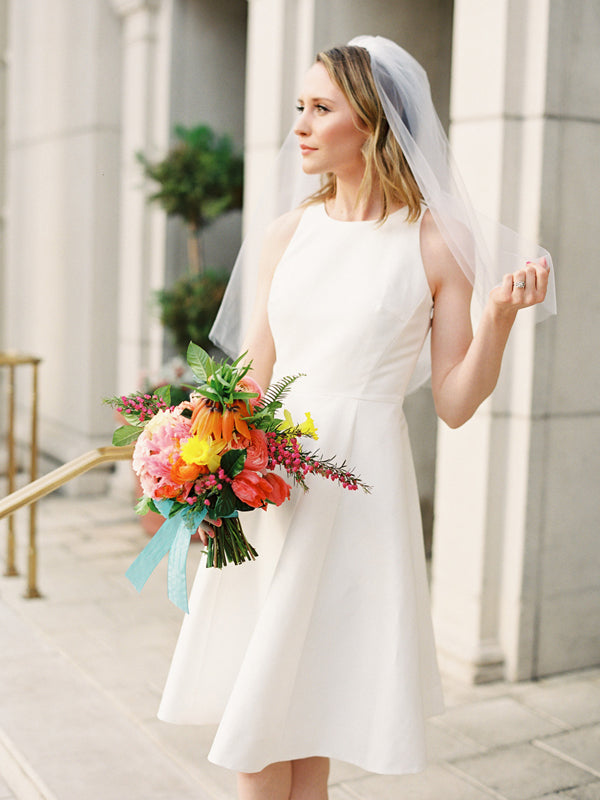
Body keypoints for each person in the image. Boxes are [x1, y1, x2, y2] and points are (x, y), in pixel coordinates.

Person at [158, 36, 554, 800]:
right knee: (260, 721)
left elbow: (455, 403)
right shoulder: (287, 234)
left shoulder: (436, 243)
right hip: (273, 487)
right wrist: (202, 473)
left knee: (309, 716)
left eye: (320, 109)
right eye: (299, 107)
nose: (299, 126)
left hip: (359, 489)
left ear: (372, 122)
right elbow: (252, 379)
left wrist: (498, 319)